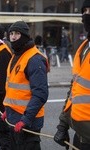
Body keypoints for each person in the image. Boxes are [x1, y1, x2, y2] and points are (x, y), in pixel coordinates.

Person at [2, 21, 49, 150]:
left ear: (25, 36)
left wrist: (25, 120)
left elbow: (40, 94)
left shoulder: (34, 59)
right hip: (14, 118)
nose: (13, 37)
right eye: (11, 33)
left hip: (28, 122)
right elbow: (14, 88)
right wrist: (8, 110)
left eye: (17, 33)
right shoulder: (16, 55)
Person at [54, 1, 90, 150]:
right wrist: (63, 124)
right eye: (85, 11)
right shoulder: (84, 47)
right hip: (80, 134)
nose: (86, 16)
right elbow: (74, 89)